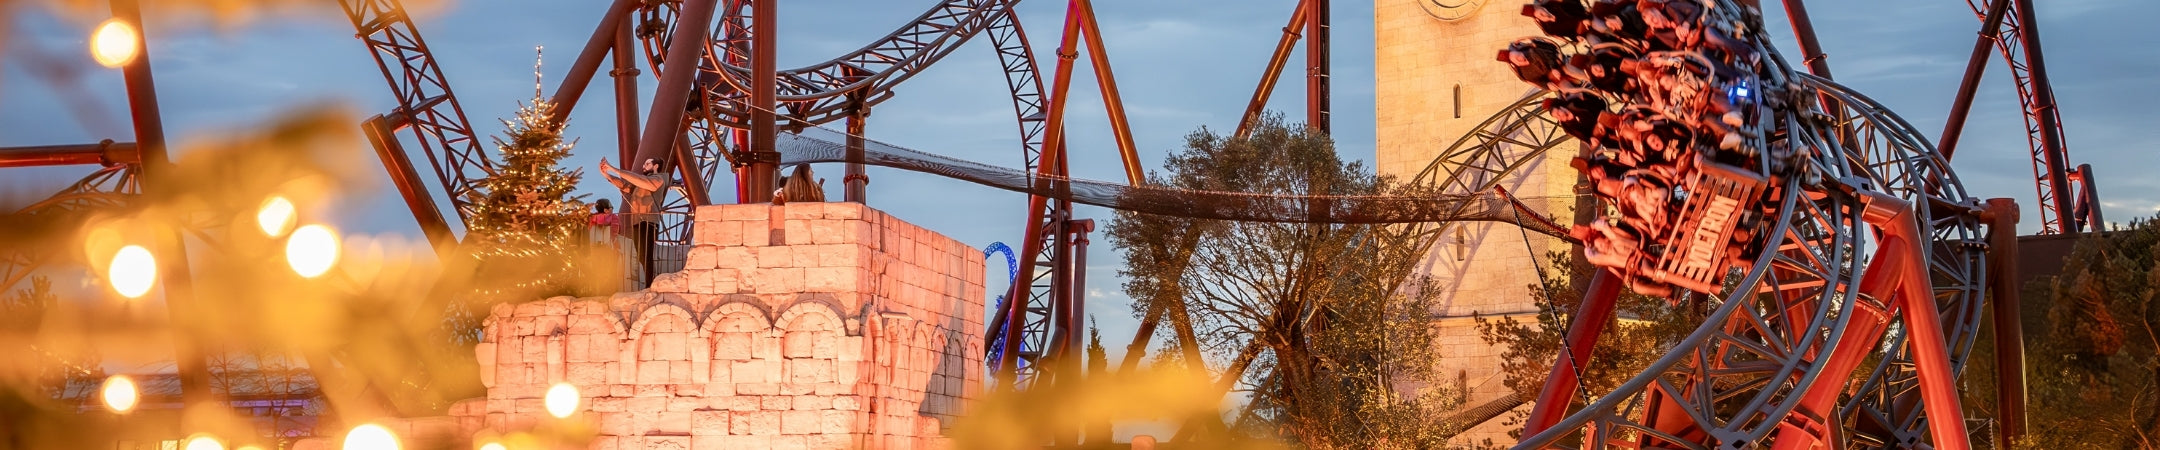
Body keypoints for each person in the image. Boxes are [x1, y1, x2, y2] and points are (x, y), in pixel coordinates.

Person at [599, 157, 671, 285]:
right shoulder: (641, 185)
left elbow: (641, 181)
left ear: (656, 166)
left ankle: (650, 283)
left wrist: (614, 169)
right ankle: (648, 282)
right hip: (637, 221)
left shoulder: (659, 179)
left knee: (646, 254)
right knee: (640, 255)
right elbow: (625, 185)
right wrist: (607, 175)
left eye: (647, 163)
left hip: (649, 221)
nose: (644, 166)